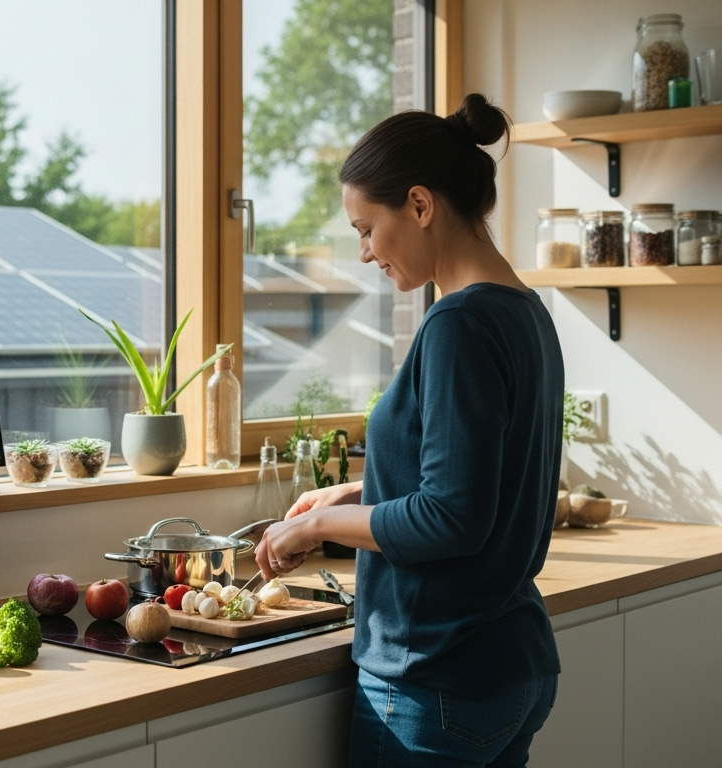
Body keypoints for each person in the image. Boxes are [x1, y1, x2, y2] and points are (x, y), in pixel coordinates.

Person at [254, 93, 563, 767]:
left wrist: (313, 528)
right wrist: (354, 495)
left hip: (437, 678)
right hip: (510, 665)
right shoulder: (525, 313)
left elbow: (452, 518)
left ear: (420, 205)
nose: (364, 253)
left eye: (366, 228)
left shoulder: (457, 324)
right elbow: (479, 473)